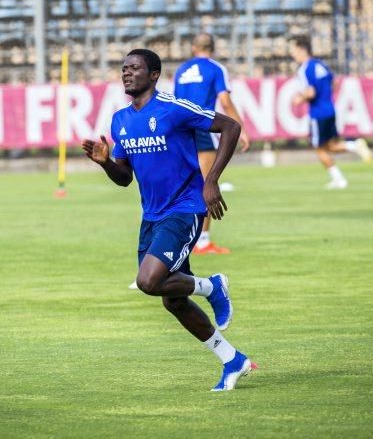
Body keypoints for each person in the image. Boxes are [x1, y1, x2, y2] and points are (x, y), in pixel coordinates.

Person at [82, 49, 252, 391]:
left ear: (155, 74)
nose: (127, 74)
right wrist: (105, 162)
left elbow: (231, 127)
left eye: (135, 68)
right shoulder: (120, 120)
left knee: (148, 281)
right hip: (152, 216)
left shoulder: (174, 108)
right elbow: (124, 178)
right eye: (124, 69)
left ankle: (211, 285)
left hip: (185, 208)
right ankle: (233, 360)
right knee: (171, 299)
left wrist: (211, 180)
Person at [173, 33, 250, 254]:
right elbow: (225, 101)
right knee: (207, 183)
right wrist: (240, 128)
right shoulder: (216, 69)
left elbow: (176, 102)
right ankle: (203, 241)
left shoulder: (182, 70)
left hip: (181, 129)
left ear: (194, 47)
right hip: (203, 128)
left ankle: (180, 237)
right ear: (212, 48)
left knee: (183, 184)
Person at [289, 36, 373, 189]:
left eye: (294, 50)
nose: (292, 54)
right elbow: (334, 82)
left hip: (318, 114)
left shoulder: (304, 69)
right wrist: (326, 97)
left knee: (320, 149)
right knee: (331, 146)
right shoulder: (320, 64)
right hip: (330, 110)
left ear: (302, 50)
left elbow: (310, 93)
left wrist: (298, 99)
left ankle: (339, 179)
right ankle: (354, 146)